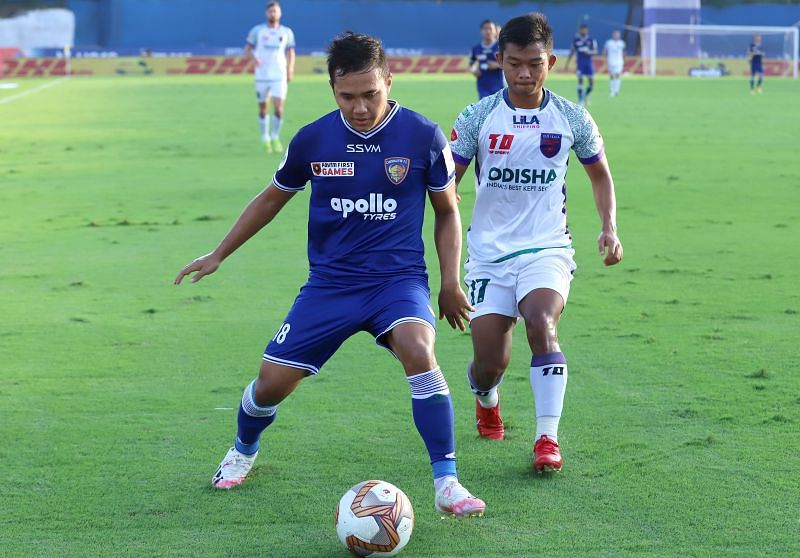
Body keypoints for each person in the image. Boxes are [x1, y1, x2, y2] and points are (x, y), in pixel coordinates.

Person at [175, 31, 486, 518]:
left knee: (420, 352)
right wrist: (219, 253)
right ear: (331, 89)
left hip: (396, 282)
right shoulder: (314, 139)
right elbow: (271, 198)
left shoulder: (423, 136)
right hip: (330, 285)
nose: (360, 107)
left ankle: (447, 481)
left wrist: (449, 282)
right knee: (270, 385)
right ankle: (244, 447)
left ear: (388, 79)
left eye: (370, 94)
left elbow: (447, 212)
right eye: (348, 96)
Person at [448, 13, 623, 473]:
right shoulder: (477, 116)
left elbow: (600, 176)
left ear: (552, 61)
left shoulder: (571, 117)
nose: (524, 74)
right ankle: (486, 398)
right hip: (488, 256)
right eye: (514, 64)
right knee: (490, 362)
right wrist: (446, 193)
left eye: (535, 64)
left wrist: (609, 227)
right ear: (500, 61)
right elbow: (447, 183)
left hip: (547, 248)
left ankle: (547, 438)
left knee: (542, 323)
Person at [245, 1, 295, 153]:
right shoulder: (258, 31)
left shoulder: (286, 32)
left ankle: (275, 137)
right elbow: (247, 49)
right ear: (267, 13)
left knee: (279, 109)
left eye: (275, 11)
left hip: (279, 75)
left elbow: (290, 52)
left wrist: (290, 69)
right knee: (263, 109)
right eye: (270, 11)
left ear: (280, 13)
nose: (273, 14)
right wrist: (253, 59)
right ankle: (265, 138)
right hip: (262, 75)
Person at [469, 20, 504, 99]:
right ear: (481, 31)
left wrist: (498, 65)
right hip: (483, 86)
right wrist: (474, 70)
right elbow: (471, 64)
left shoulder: (501, 47)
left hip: (498, 85)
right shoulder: (476, 49)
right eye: (485, 29)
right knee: (485, 108)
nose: (488, 31)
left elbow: (510, 62)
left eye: (490, 29)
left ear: (495, 31)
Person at [565, 23, 598, 106]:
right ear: (579, 30)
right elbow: (571, 52)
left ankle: (586, 95)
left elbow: (595, 52)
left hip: (589, 64)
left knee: (591, 83)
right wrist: (567, 64)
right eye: (582, 29)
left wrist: (589, 52)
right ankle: (580, 100)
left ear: (587, 30)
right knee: (580, 80)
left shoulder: (591, 40)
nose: (583, 31)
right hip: (580, 64)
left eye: (585, 29)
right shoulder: (576, 40)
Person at [603, 30, 625, 97]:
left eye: (618, 34)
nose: (616, 36)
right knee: (612, 76)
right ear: (613, 35)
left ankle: (616, 91)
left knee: (618, 75)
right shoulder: (609, 42)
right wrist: (605, 58)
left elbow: (624, 52)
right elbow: (605, 51)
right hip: (611, 61)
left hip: (619, 61)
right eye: (615, 34)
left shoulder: (622, 43)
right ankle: (612, 91)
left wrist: (624, 59)